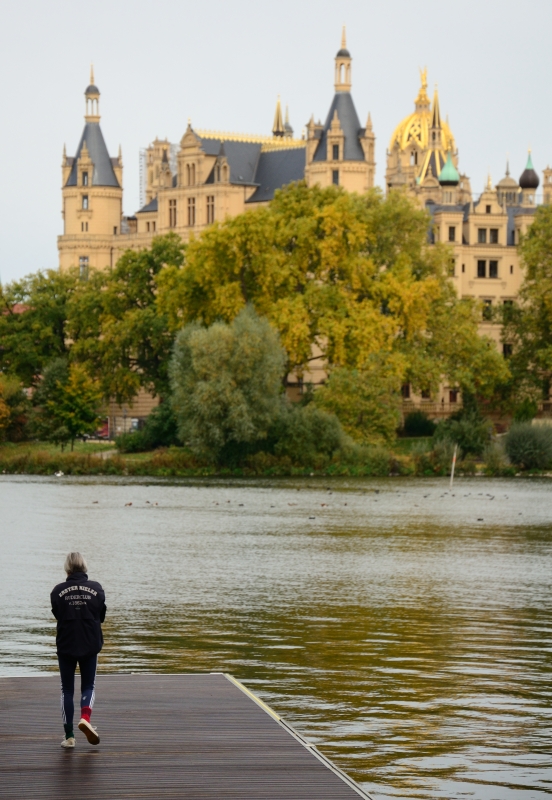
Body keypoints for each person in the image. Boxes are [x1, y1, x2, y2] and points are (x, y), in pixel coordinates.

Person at [51, 552, 106, 749]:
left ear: (67, 568)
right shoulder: (97, 589)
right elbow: (101, 615)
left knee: (66, 689)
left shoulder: (58, 591)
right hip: (90, 643)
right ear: (84, 566)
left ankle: (69, 737)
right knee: (88, 686)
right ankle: (85, 718)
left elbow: (58, 614)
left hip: (66, 644)